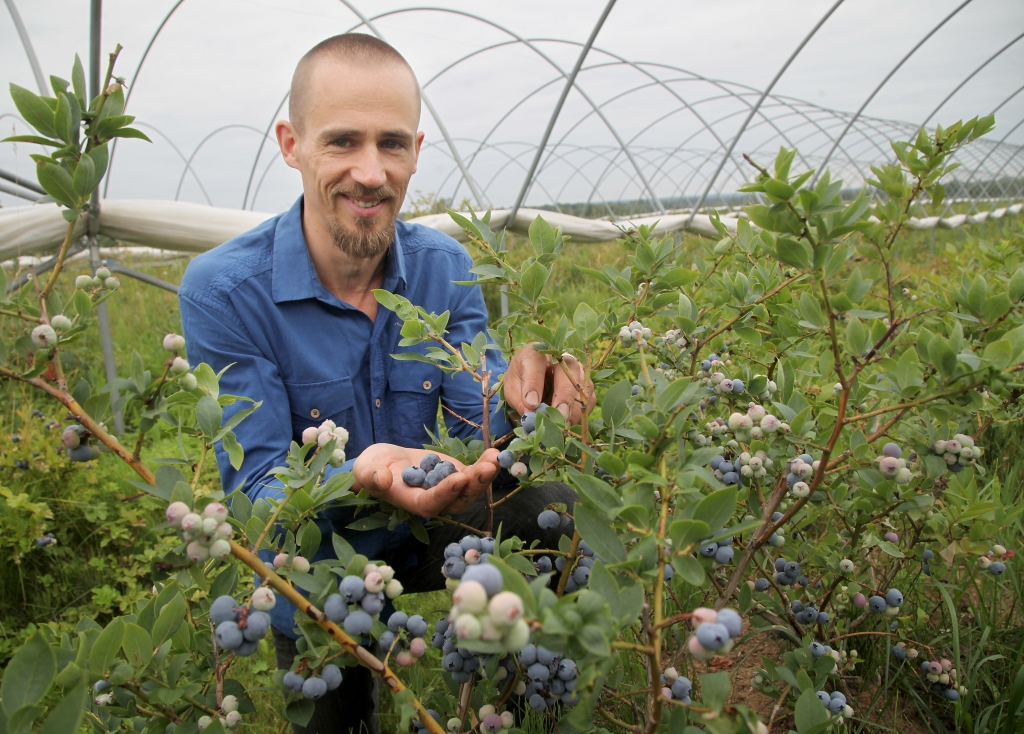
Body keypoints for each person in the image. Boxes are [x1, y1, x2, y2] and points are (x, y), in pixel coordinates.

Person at [178, 33, 593, 733]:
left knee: (552, 509)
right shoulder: (223, 291)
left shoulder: (444, 265)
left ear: (417, 151)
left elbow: (476, 427)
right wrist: (359, 475)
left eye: (392, 144)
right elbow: (256, 497)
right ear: (292, 144)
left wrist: (530, 403)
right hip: (315, 554)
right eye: (343, 141)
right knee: (334, 715)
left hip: (441, 521)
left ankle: (527, 700)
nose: (371, 172)